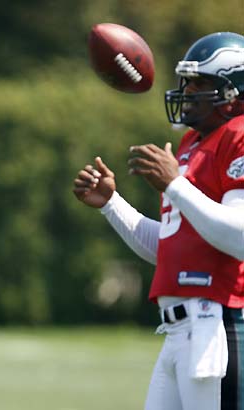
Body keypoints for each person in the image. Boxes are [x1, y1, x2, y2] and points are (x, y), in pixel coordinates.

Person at [73, 32, 244, 410]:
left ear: (232, 94)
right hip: (176, 331)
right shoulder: (191, 145)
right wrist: (111, 204)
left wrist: (176, 185)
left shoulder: (240, 136)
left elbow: (240, 238)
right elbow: (169, 251)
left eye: (199, 83)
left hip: (218, 326)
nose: (187, 91)